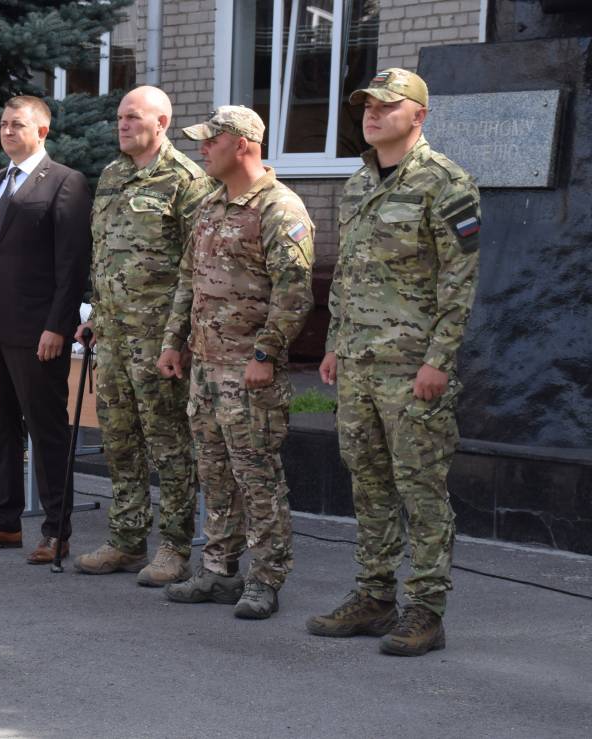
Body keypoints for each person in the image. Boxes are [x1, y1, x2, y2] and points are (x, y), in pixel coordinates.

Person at [306, 68, 480, 655]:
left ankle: (425, 610)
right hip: (357, 365)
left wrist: (439, 361)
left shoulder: (445, 183)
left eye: (386, 104)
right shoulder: (356, 184)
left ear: (419, 115)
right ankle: (374, 597)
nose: (372, 114)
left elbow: (459, 283)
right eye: (366, 106)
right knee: (370, 485)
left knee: (421, 489)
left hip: (413, 370)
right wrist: (333, 343)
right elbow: (350, 277)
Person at [158, 106, 315, 619]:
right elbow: (188, 280)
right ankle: (219, 570)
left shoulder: (280, 208)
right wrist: (172, 342)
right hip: (205, 367)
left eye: (211, 142)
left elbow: (294, 293)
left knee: (257, 475)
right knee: (215, 473)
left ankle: (265, 578)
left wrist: (266, 353)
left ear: (242, 145)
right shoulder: (208, 206)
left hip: (250, 371)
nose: (201, 150)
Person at [72, 86, 216, 586]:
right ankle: (127, 539)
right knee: (119, 440)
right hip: (112, 336)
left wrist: (178, 338)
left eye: (133, 117)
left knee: (169, 442)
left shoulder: (186, 180)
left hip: (160, 342)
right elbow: (105, 254)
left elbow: (195, 269)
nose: (123, 124)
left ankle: (175, 546)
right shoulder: (112, 175)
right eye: (120, 117)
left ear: (163, 123)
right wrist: (94, 313)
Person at [0, 96, 92, 564]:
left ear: (42, 132)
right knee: (1, 427)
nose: (8, 131)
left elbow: (72, 266)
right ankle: (3, 521)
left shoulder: (65, 182)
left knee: (47, 430)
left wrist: (59, 325)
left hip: (38, 334)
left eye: (18, 125)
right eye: (4, 124)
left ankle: (56, 530)